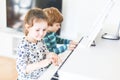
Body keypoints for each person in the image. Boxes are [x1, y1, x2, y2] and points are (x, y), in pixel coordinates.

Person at [16, 8, 61, 80]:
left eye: (44, 30)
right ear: (28, 27)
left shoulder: (40, 40)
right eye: (37, 30)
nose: (41, 33)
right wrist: (41, 64)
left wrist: (51, 55)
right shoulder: (23, 46)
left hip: (42, 76)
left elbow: (45, 53)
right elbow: (22, 69)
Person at [43, 7, 78, 80]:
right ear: (48, 25)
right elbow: (50, 53)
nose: (59, 27)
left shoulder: (51, 32)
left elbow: (57, 39)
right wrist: (65, 47)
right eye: (57, 25)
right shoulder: (43, 37)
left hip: (54, 60)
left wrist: (68, 41)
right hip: (47, 66)